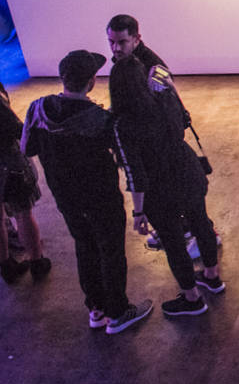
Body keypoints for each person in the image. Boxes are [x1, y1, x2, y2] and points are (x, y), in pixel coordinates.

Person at [21, 51, 153, 334]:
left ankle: (96, 309)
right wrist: (139, 209)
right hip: (102, 200)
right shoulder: (103, 120)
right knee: (111, 251)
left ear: (62, 77)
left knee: (84, 246)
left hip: (66, 200)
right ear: (92, 82)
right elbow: (129, 164)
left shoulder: (38, 109)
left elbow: (27, 148)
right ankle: (119, 312)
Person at [110, 56, 224, 317]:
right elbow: (185, 119)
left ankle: (192, 298)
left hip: (160, 191)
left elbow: (134, 172)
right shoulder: (164, 99)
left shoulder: (122, 124)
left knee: (173, 242)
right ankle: (212, 277)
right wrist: (170, 87)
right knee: (201, 223)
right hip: (188, 173)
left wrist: (138, 213)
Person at [0, 83, 49, 284]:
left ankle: (6, 267)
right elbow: (14, 128)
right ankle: (37, 262)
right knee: (23, 212)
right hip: (7, 162)